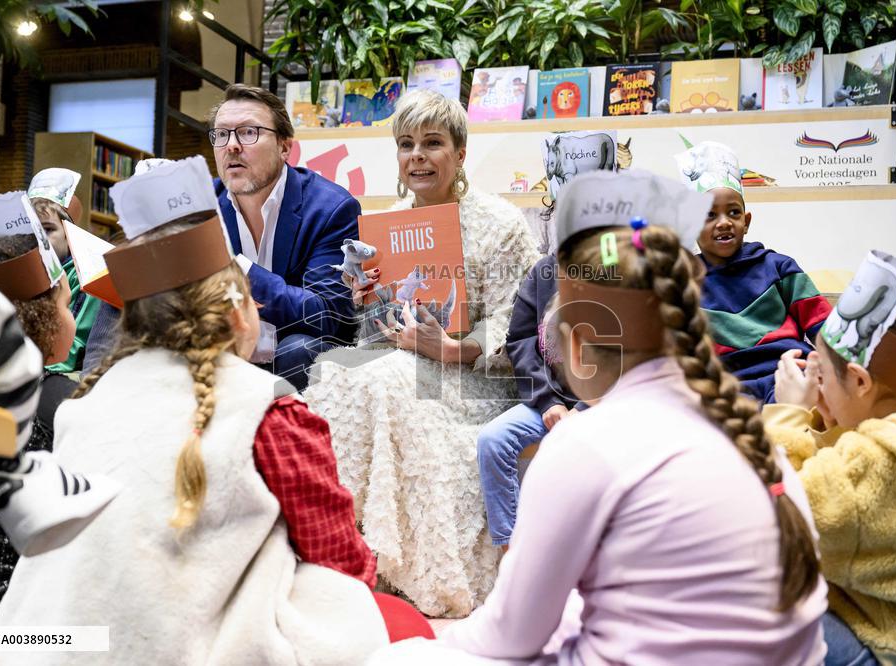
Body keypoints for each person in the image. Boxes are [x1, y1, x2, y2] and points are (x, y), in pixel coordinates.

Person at [369, 169, 827, 665]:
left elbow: (508, 638)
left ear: (577, 347)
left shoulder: (584, 446)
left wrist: (420, 645)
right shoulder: (747, 432)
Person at [0, 157, 431, 666]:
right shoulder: (270, 412)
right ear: (237, 307)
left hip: (36, 648)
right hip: (178, 651)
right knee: (400, 623)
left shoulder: (83, 405)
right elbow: (343, 564)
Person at [303, 89, 541, 616]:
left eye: (432, 143)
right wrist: (369, 300)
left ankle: (374, 560)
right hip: (405, 360)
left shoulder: (501, 223)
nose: (417, 155)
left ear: (459, 154)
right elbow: (379, 331)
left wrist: (457, 348)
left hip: (479, 376)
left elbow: (518, 322)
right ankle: (331, 548)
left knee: (386, 381)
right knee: (333, 373)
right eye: (406, 144)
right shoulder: (389, 223)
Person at [768, 250, 896, 666]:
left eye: (824, 378)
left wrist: (787, 413)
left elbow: (769, 511)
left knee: (761, 610)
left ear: (861, 381)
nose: (817, 387)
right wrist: (831, 412)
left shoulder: (862, 469)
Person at [0, 199, 115, 648]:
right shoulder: (58, 405)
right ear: (42, 318)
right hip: (3, 631)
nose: (72, 318)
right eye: (66, 304)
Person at [476, 130, 619, 550]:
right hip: (548, 402)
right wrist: (551, 403)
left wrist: (580, 408)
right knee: (493, 440)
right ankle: (514, 548)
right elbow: (520, 340)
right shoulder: (543, 273)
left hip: (612, 405)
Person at [210, 83, 360, 391]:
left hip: (287, 355)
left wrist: (241, 273)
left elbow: (328, 315)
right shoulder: (201, 204)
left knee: (299, 348)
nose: (232, 146)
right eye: (221, 134)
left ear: (284, 146)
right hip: (221, 348)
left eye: (249, 132)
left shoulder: (330, 208)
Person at [676, 141, 831, 404]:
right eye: (709, 215)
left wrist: (843, 367)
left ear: (746, 222)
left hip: (788, 370)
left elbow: (824, 327)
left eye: (733, 212)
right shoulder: (683, 284)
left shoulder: (779, 267)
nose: (724, 222)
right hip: (726, 385)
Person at [27, 167, 101, 377]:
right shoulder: (21, 271)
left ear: (69, 233)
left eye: (48, 229)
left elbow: (76, 345)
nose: (39, 239)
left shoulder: (87, 275)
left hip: (58, 373)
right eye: (31, 230)